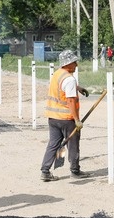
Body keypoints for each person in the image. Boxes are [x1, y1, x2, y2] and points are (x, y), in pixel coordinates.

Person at [39, 50, 91, 181]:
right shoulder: (69, 79)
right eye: (74, 62)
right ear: (67, 64)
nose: (76, 65)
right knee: (73, 144)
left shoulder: (57, 74)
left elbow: (61, 87)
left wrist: (78, 88)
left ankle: (45, 171)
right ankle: (75, 171)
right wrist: (77, 120)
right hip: (67, 119)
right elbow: (70, 101)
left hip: (53, 117)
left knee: (53, 144)